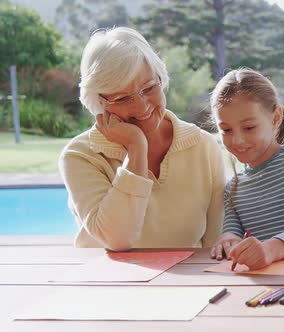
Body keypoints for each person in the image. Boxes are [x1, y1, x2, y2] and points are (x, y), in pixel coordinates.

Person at [59, 27, 225, 251]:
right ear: (99, 101)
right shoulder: (80, 156)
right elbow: (116, 239)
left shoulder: (203, 146)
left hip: (188, 283)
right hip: (109, 284)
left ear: (161, 79)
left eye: (148, 88)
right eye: (123, 97)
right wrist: (137, 148)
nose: (142, 106)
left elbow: (215, 244)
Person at [208, 68, 284, 270]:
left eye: (249, 127)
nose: (237, 140)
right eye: (226, 130)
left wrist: (269, 250)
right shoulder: (233, 189)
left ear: (275, 118)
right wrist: (227, 240)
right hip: (267, 282)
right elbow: (232, 234)